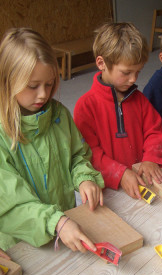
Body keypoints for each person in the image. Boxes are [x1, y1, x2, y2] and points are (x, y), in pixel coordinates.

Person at [0, 28, 105, 254]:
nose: (43, 95)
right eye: (32, 86)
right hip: (20, 246)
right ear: (8, 81)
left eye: (49, 84)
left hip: (65, 231)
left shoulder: (58, 115)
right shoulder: (2, 134)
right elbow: (10, 206)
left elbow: (78, 155)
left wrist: (84, 178)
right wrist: (55, 222)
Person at [74, 22, 162, 200]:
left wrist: (150, 158)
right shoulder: (85, 107)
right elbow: (88, 153)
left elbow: (154, 131)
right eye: (126, 72)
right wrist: (120, 173)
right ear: (101, 63)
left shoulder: (140, 100)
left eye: (138, 72)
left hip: (142, 182)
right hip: (108, 191)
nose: (133, 79)